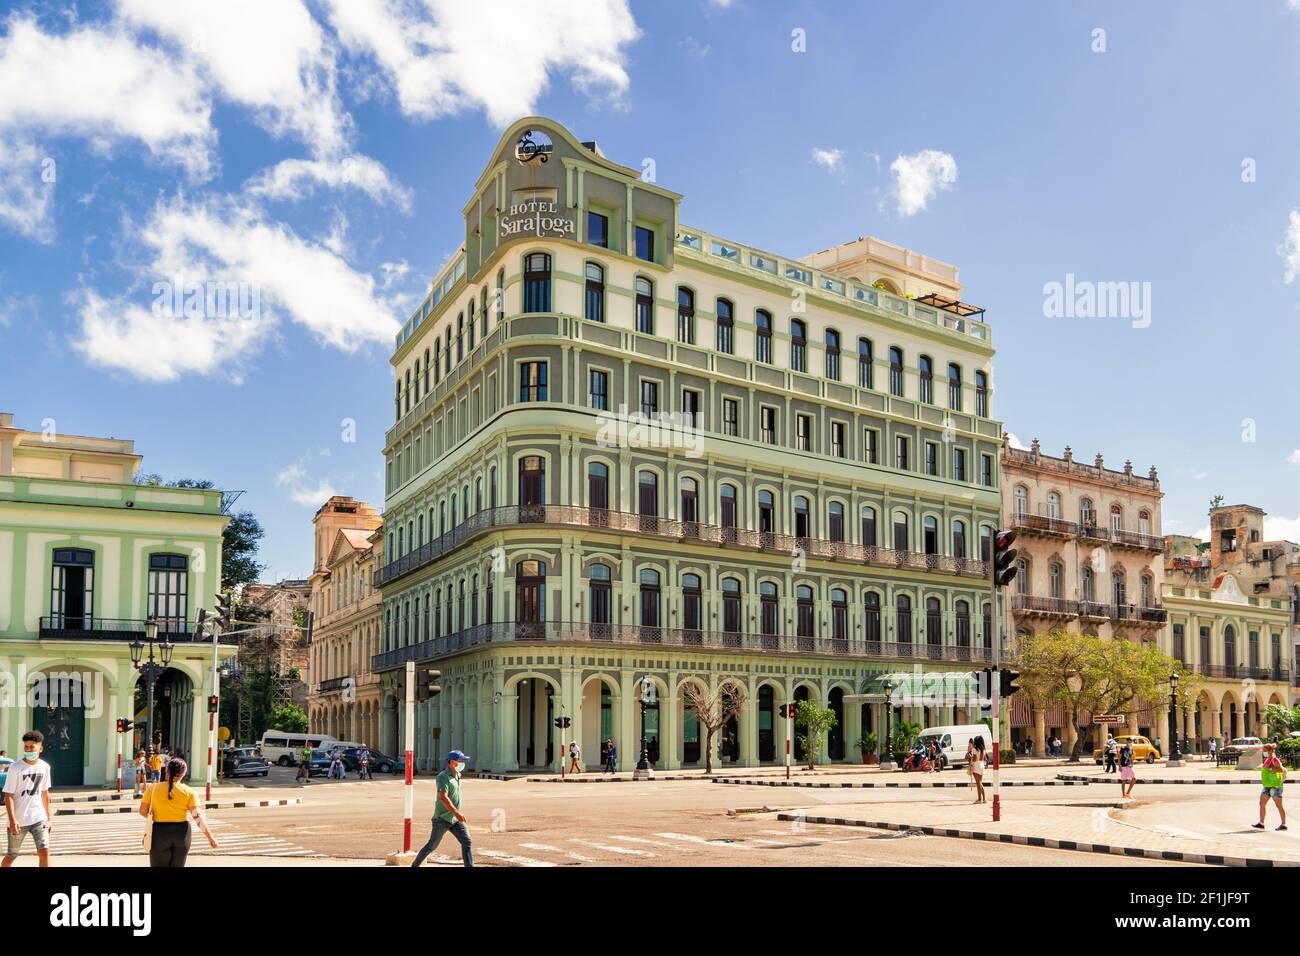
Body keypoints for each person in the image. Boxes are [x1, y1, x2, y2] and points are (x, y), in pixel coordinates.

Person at [139, 757, 218, 867]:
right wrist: (210, 837)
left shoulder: (153, 788)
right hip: (182, 833)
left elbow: (143, 811)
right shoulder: (190, 792)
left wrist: (158, 816)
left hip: (159, 832)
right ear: (183, 774)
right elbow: (197, 817)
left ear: (167, 771)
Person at [412, 750, 473, 868]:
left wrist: (456, 814)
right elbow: (443, 797)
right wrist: (456, 812)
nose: (462, 763)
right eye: (460, 761)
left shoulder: (457, 775)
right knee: (431, 846)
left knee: (467, 841)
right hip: (442, 819)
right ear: (452, 762)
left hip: (454, 819)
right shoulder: (443, 776)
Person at [2, 731, 52, 868]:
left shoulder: (45, 767)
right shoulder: (15, 768)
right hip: (19, 820)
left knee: (44, 851)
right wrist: (12, 820)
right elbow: (8, 795)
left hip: (39, 818)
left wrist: (48, 818)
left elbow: (45, 793)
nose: (29, 750)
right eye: (26, 747)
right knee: (12, 855)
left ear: (40, 748)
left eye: (32, 747)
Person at [1254, 742, 1287, 831]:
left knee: (1279, 805)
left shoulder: (1275, 759)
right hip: (1267, 785)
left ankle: (1283, 824)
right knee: (1262, 803)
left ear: (1270, 751)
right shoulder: (1268, 759)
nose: (1263, 752)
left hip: (1275, 786)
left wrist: (1270, 769)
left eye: (1264, 750)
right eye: (1263, 750)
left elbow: (1281, 770)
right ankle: (1261, 823)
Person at [969, 735, 987, 804]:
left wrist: (970, 757)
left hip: (976, 766)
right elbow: (984, 758)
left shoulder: (974, 749)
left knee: (978, 783)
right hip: (981, 765)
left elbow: (974, 759)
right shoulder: (983, 750)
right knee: (980, 783)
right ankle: (984, 799)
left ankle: (979, 799)